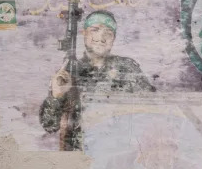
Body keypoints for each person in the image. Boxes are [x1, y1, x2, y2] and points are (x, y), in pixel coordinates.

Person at [39, 10, 156, 150]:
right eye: (95, 30)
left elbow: (153, 111)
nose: (101, 37)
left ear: (113, 38)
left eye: (108, 32)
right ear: (84, 33)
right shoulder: (68, 72)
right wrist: (56, 96)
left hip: (119, 155)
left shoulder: (127, 68)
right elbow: (49, 125)